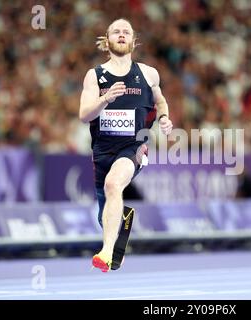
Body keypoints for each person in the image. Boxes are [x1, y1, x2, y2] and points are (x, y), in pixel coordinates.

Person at [79, 18, 173, 272]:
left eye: (126, 32)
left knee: (113, 183)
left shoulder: (148, 73)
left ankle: (106, 252)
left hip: (134, 146)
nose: (121, 35)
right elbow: (84, 114)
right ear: (106, 41)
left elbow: (160, 101)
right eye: (116, 32)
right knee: (105, 217)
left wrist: (163, 117)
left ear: (134, 41)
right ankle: (120, 225)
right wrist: (104, 99)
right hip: (102, 151)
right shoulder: (94, 75)